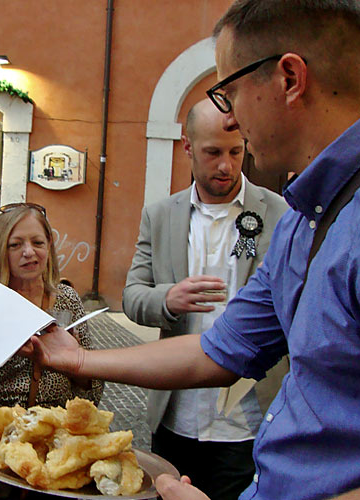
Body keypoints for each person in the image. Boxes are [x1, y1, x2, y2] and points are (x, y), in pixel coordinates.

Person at [28, 1, 360, 499]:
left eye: (228, 93)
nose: (232, 120)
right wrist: (79, 362)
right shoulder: (306, 216)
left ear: (289, 78)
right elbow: (220, 349)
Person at [123, 99, 288, 500]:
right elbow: (131, 297)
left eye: (236, 151)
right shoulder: (161, 214)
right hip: (176, 417)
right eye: (213, 153)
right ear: (187, 147)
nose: (226, 166)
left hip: (249, 419)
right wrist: (169, 298)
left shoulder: (280, 212)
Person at [0, 203, 104, 499]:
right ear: (1, 249)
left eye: (38, 242)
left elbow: (92, 383)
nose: (29, 252)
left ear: (49, 246)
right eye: (16, 244)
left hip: (53, 450)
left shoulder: (67, 300)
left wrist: (75, 359)